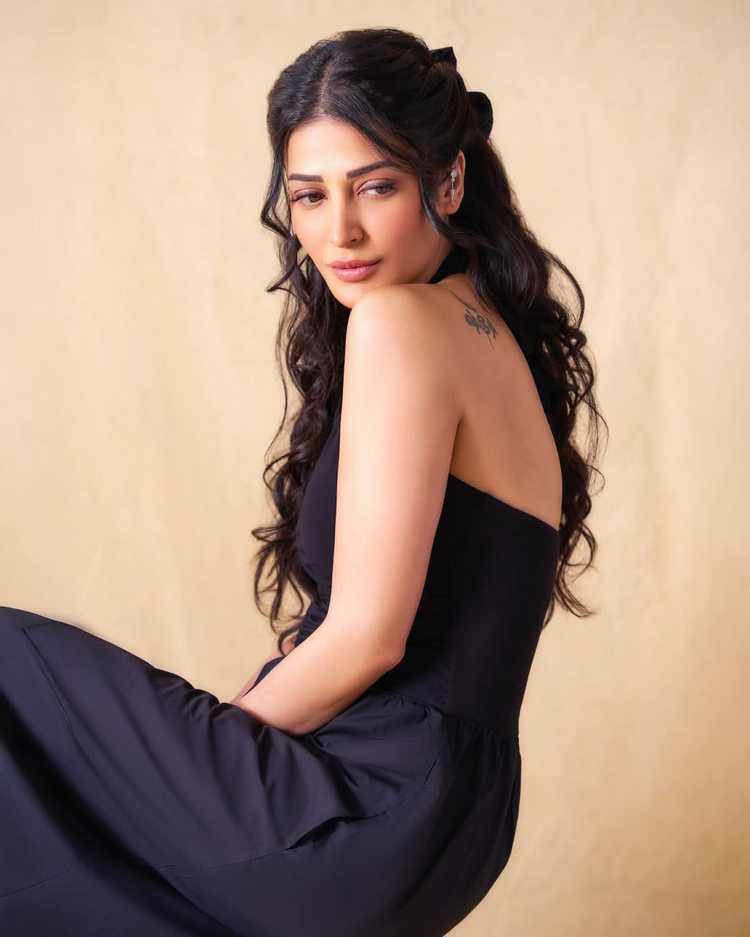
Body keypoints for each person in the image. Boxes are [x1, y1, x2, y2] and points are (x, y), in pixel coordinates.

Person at [0, 27, 604, 936]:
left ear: (447, 182)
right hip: (448, 823)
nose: (338, 232)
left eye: (376, 187)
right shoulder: (484, 333)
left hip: (370, 805)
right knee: (91, 871)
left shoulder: (400, 323)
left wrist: (210, 747)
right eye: (310, 196)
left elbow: (367, 638)